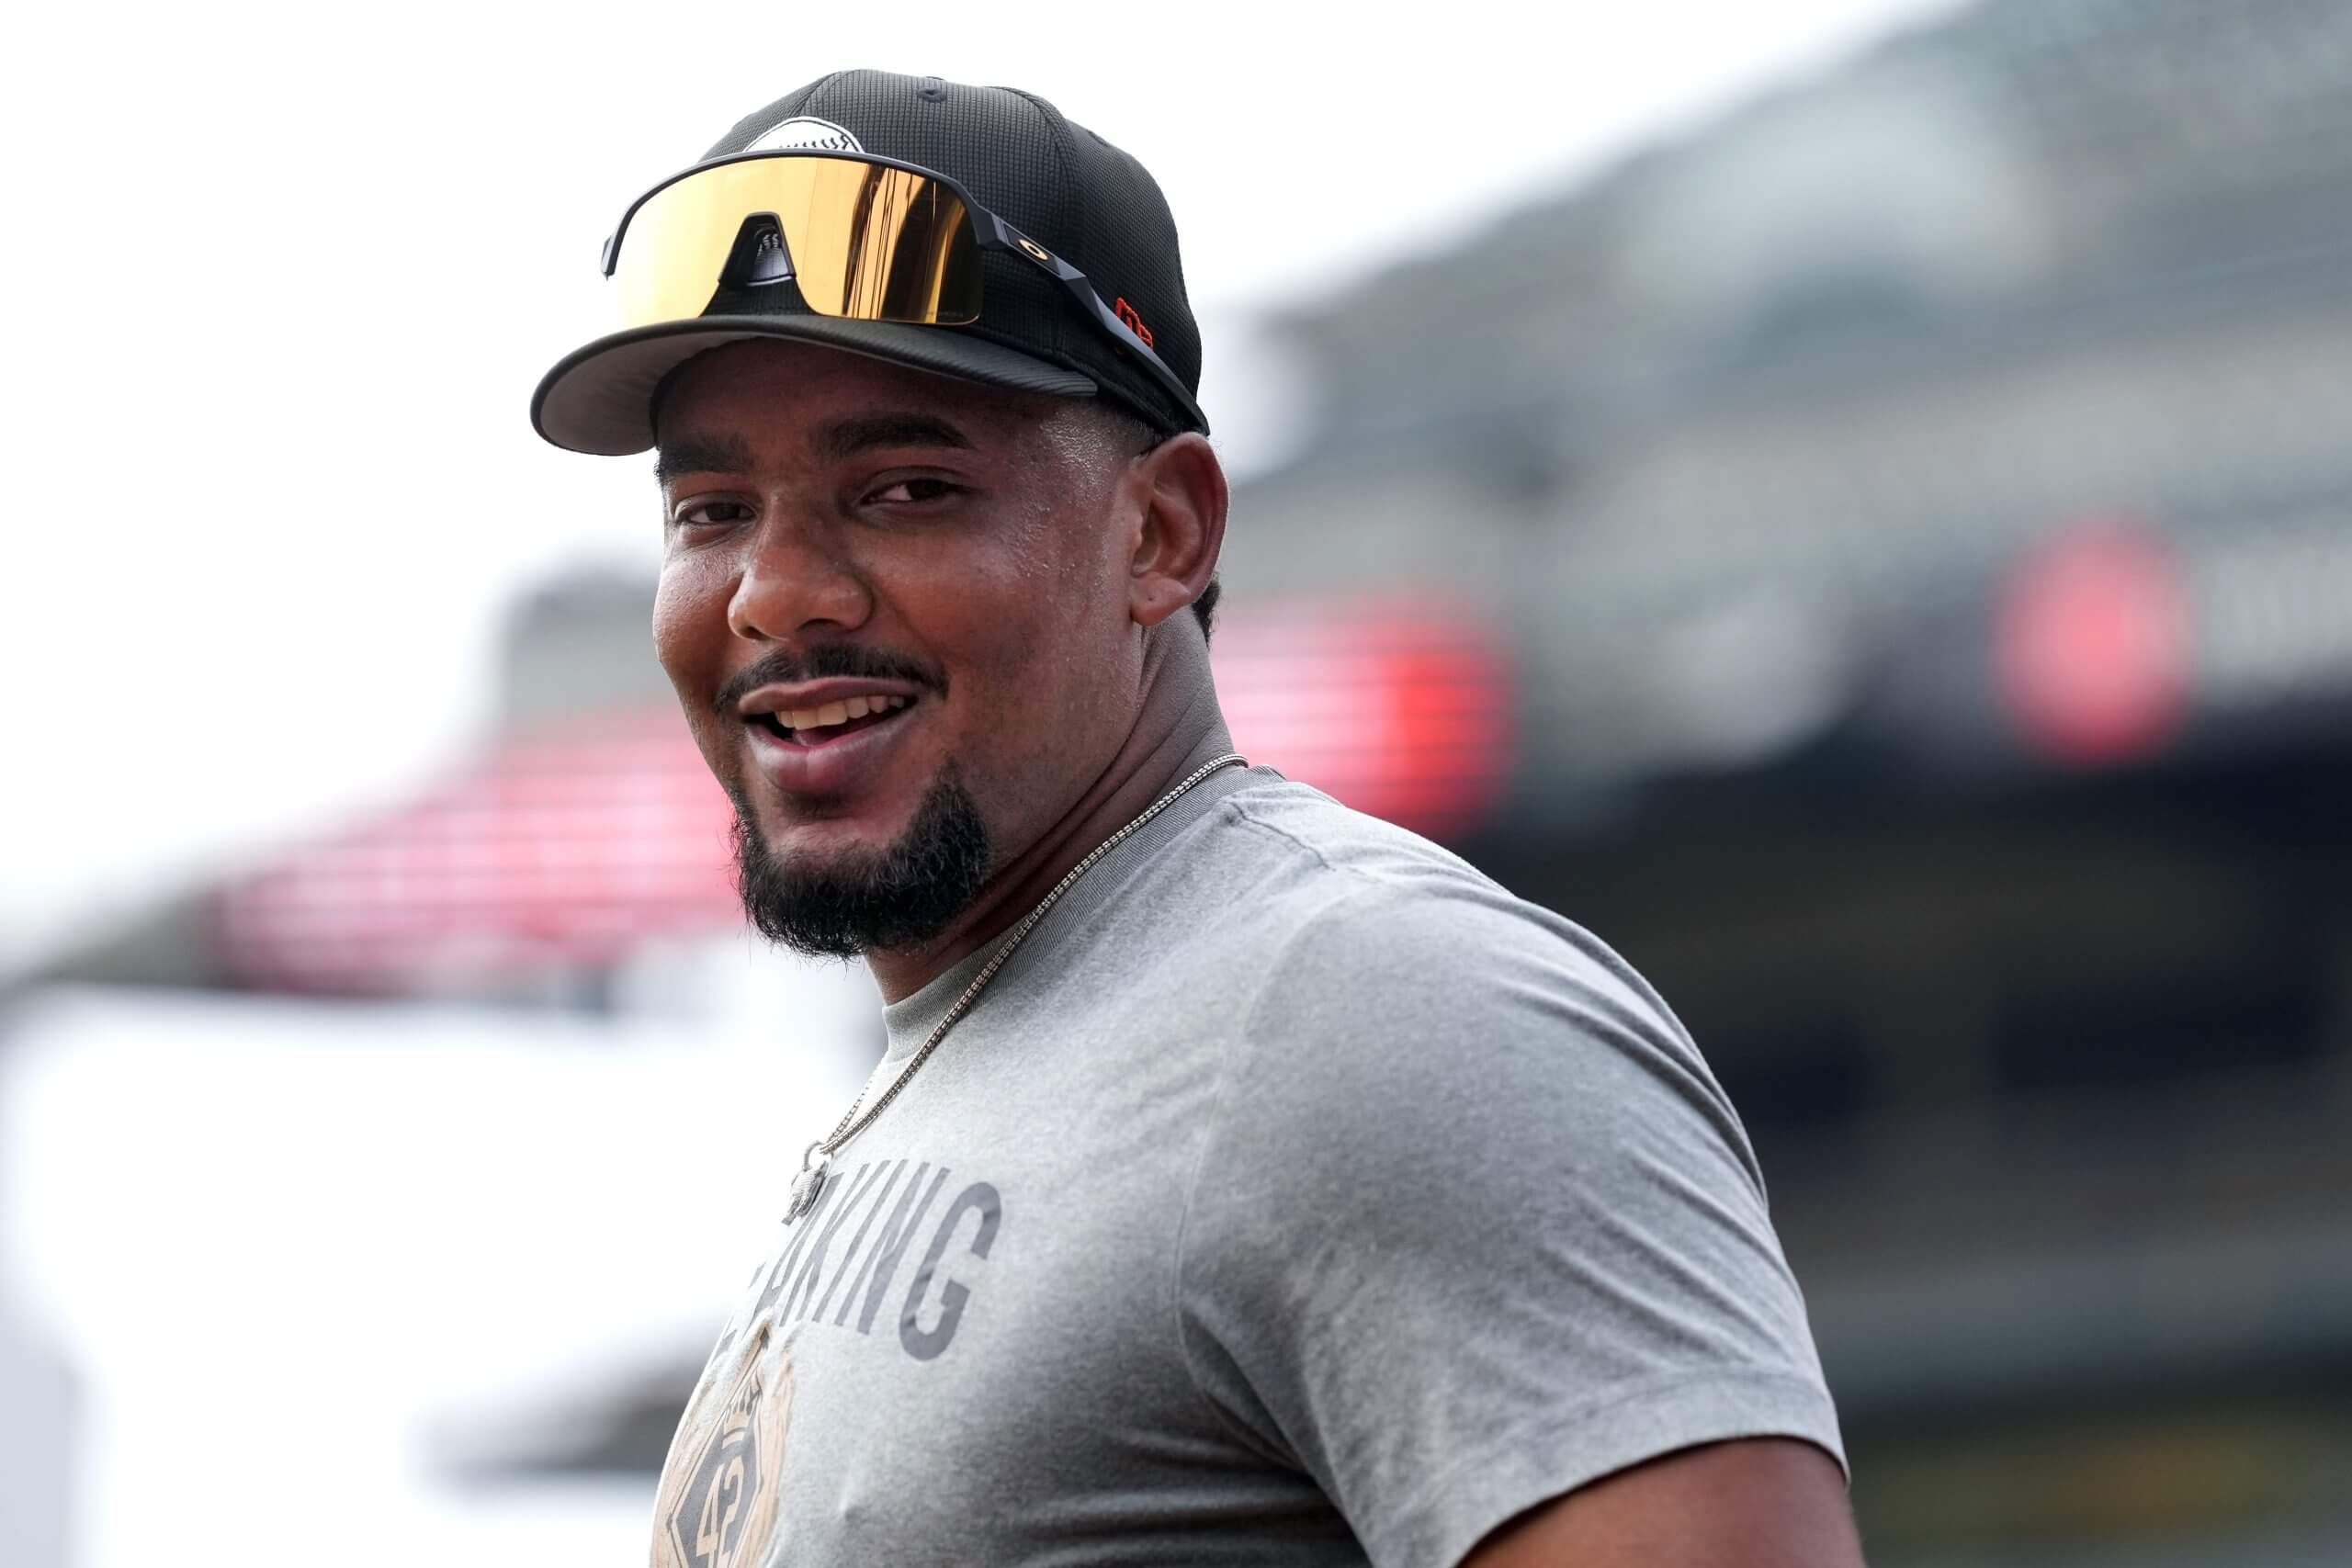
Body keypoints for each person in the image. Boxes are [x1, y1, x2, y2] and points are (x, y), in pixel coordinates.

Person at [531, 68, 1861, 1568]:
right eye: (711, 511)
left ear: (1161, 533)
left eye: (904, 489)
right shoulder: (1004, 1038)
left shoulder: (1382, 1015)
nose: (775, 596)